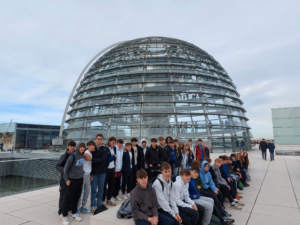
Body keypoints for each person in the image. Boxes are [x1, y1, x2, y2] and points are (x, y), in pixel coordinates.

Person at [61, 142, 85, 225]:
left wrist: (83, 176)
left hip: (79, 180)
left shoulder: (82, 156)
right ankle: (64, 217)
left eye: (83, 147)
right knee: (68, 199)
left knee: (76, 198)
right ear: (78, 147)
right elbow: (65, 169)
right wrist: (66, 179)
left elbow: (81, 168)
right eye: (81, 147)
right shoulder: (72, 156)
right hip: (72, 181)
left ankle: (74, 214)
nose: (82, 148)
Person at [56, 141, 76, 218]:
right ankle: (61, 211)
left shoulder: (75, 155)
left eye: (74, 146)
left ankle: (68, 210)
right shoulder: (64, 156)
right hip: (65, 179)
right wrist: (65, 170)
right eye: (71, 146)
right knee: (63, 195)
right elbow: (57, 166)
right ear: (68, 146)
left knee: (71, 195)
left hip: (73, 179)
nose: (72, 147)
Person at [90, 134, 108, 212]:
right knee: (93, 189)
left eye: (101, 139)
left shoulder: (105, 148)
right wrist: (96, 160)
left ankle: (99, 204)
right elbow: (90, 158)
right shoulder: (93, 148)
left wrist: (93, 159)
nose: (99, 140)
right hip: (94, 172)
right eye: (98, 139)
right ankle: (93, 205)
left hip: (102, 172)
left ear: (103, 139)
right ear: (96, 139)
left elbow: (103, 159)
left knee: (101, 189)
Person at [77, 141, 95, 214]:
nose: (94, 147)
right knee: (80, 193)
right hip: (83, 175)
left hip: (88, 175)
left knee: (87, 192)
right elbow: (81, 166)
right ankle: (77, 208)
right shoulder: (86, 153)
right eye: (93, 146)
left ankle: (83, 207)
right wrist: (82, 176)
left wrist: (90, 174)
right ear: (89, 146)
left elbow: (88, 165)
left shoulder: (90, 153)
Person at [103, 137, 117, 206]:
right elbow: (106, 159)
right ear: (109, 142)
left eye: (114, 143)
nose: (113, 144)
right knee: (104, 185)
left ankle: (109, 198)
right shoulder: (106, 149)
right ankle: (102, 199)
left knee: (111, 184)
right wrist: (113, 157)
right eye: (112, 143)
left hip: (112, 168)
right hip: (107, 169)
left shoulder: (114, 148)